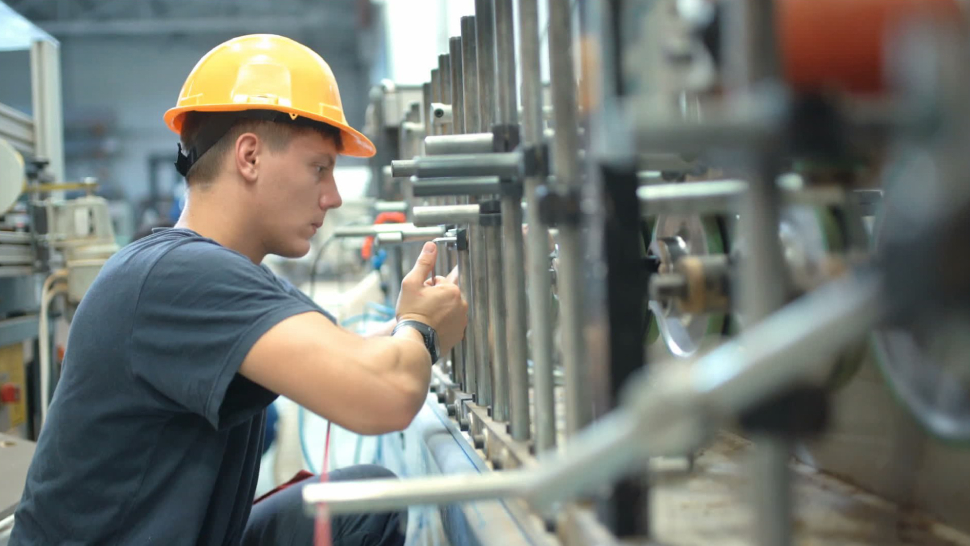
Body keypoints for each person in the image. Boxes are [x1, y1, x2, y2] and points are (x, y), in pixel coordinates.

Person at [10, 34, 467, 546]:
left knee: (361, 503)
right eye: (320, 168)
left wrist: (415, 323)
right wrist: (421, 331)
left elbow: (348, 361)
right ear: (249, 157)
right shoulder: (181, 276)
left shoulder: (195, 271)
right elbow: (385, 397)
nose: (334, 197)